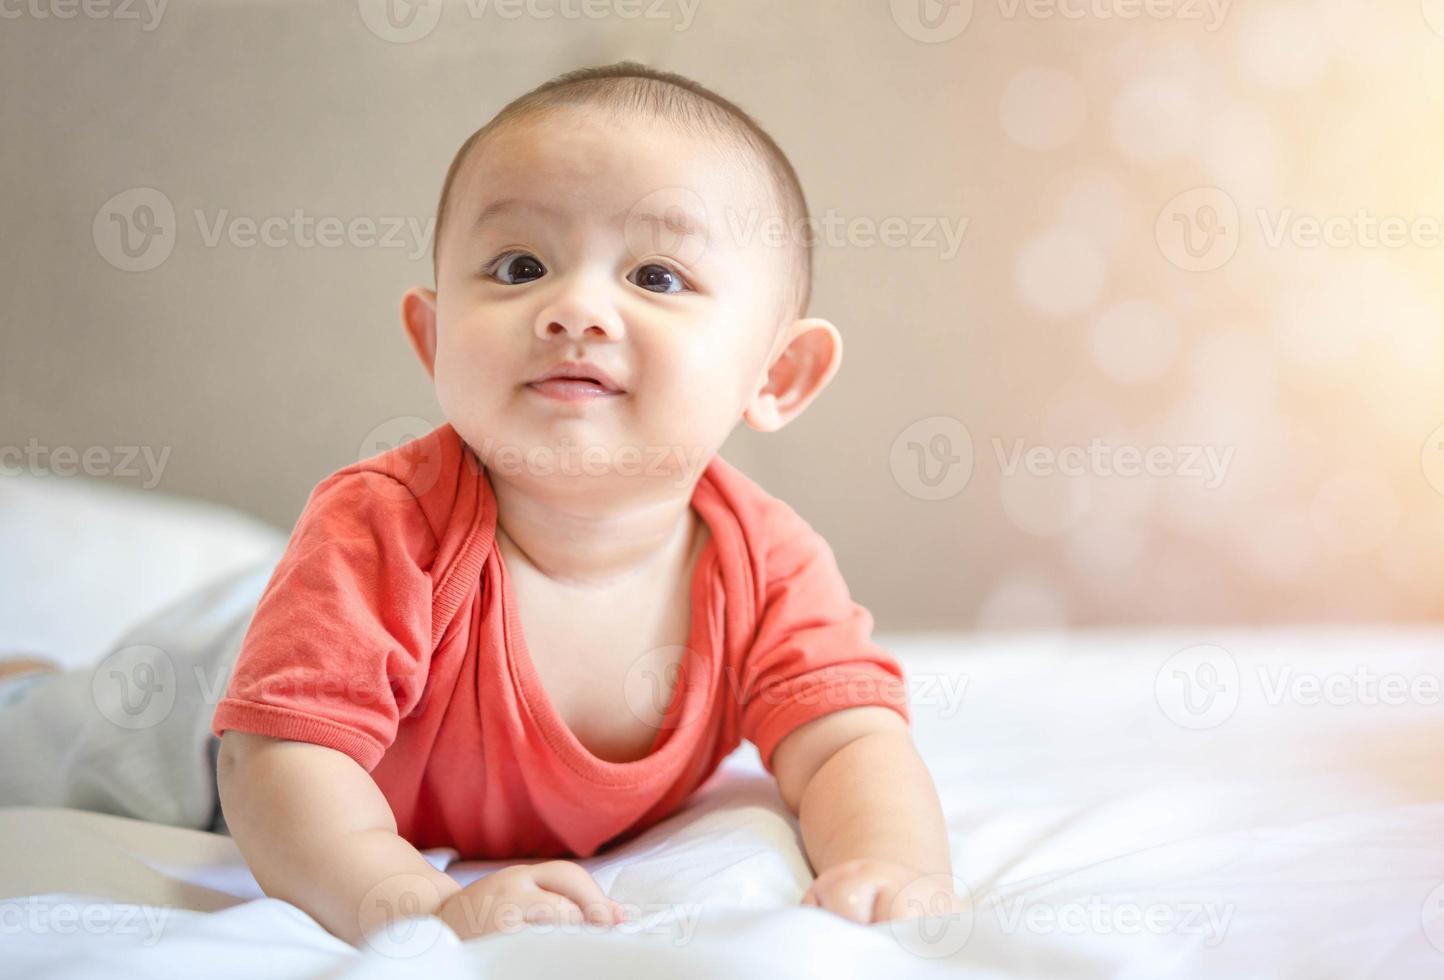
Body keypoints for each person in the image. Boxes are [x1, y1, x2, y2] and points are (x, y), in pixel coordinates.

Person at [0, 62, 953, 946]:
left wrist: (891, 867)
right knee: (48, 737)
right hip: (229, 688)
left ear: (777, 373)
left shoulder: (767, 564)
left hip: (317, 622)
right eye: (519, 267)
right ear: (433, 335)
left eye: (656, 276)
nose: (574, 307)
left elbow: (846, 742)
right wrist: (422, 905)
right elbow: (275, 765)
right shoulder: (385, 529)